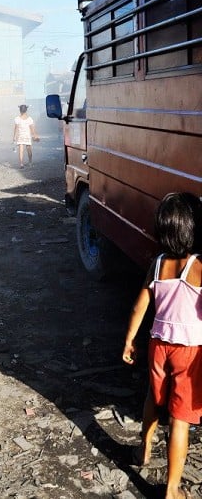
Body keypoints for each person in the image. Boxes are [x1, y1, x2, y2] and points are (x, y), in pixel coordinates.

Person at [122, 192, 202, 499]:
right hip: (190, 351)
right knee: (180, 419)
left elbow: (139, 306)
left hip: (158, 345)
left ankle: (143, 449)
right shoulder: (198, 266)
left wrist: (129, 339)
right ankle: (171, 491)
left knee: (153, 399)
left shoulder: (156, 265)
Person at [13, 104, 39, 168]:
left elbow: (16, 128)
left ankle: (21, 164)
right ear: (26, 110)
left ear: (20, 111)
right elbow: (32, 128)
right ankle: (30, 162)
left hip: (20, 136)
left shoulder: (17, 119)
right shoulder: (29, 119)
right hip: (27, 136)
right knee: (29, 149)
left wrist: (14, 137)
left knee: (21, 150)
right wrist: (35, 135)